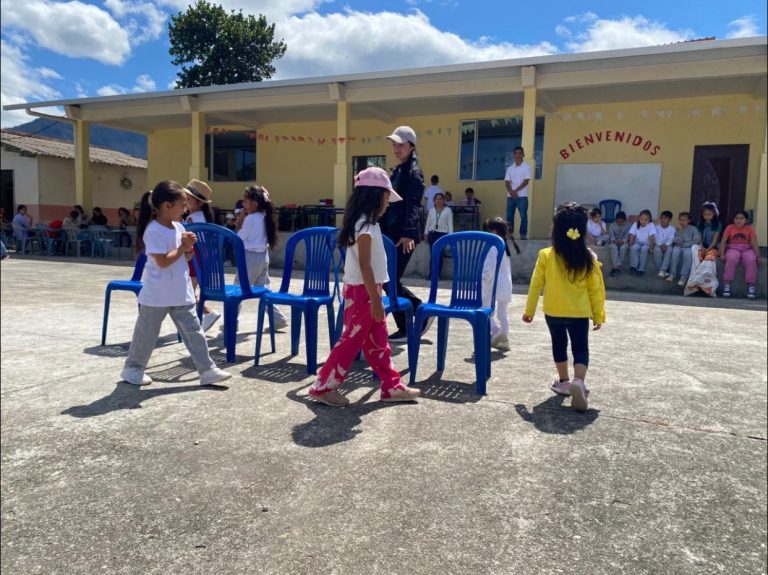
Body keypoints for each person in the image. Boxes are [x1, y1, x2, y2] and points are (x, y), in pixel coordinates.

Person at [308, 167, 421, 406]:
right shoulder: (366, 227)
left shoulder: (365, 224)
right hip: (364, 292)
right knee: (350, 340)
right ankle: (323, 386)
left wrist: (376, 295)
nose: (388, 204)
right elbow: (365, 265)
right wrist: (377, 300)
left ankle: (391, 386)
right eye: (386, 198)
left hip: (367, 290)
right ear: (375, 197)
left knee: (379, 341)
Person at [120, 180, 232, 387]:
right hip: (157, 295)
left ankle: (207, 370)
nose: (186, 207)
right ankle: (132, 368)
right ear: (167, 206)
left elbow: (185, 259)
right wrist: (182, 248)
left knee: (194, 332)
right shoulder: (153, 230)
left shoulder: (178, 226)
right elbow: (162, 261)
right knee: (146, 334)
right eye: (182, 203)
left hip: (180, 292)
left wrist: (188, 248)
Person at [522, 203, 606, 412]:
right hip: (579, 313)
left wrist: (529, 311)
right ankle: (579, 381)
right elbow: (596, 289)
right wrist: (598, 315)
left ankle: (564, 381)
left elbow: (535, 284)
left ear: (556, 231)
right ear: (582, 230)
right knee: (580, 347)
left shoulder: (546, 255)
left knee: (559, 345)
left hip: (553, 311)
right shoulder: (588, 258)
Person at [379, 125, 430, 343]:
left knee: (390, 280)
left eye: (401, 144)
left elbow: (413, 206)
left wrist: (409, 233)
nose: (396, 148)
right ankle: (412, 319)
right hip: (391, 234)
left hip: (404, 236)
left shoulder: (414, 172)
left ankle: (416, 314)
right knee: (387, 280)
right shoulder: (398, 170)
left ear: (411, 146)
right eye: (394, 144)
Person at [236, 185, 288, 329]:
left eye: (245, 201)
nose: (243, 204)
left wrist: (239, 222)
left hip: (249, 258)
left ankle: (231, 321)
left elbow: (239, 238)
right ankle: (278, 319)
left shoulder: (250, 218)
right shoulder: (265, 217)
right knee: (264, 290)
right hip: (262, 257)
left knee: (237, 290)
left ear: (254, 204)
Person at [184, 179, 222, 332]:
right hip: (203, 256)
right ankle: (198, 319)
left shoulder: (191, 219)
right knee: (189, 292)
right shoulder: (203, 217)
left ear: (199, 202)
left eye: (189, 199)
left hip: (194, 256)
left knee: (188, 292)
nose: (185, 201)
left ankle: (209, 313)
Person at [482, 218, 513, 352]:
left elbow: (488, 270)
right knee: (502, 314)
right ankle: (504, 339)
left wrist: (482, 280)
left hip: (493, 285)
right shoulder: (504, 246)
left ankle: (495, 332)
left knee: (485, 310)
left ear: (493, 231)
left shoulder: (492, 247)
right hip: (506, 285)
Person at [720, 210, 759, 299]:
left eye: (741, 218)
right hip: (733, 248)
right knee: (731, 258)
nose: (739, 220)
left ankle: (751, 285)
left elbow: (753, 242)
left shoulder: (750, 228)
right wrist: (722, 254)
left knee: (751, 259)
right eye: (737, 218)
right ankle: (727, 284)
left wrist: (757, 255)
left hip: (747, 248)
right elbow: (723, 241)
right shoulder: (730, 227)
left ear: (746, 220)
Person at [423, 192, 453, 280]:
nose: (439, 201)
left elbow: (450, 224)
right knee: (433, 255)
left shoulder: (448, 210)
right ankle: (431, 275)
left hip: (442, 235)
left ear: (443, 200)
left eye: (440, 199)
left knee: (439, 255)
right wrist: (426, 234)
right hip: (432, 234)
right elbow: (428, 223)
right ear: (434, 201)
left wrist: (450, 237)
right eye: (437, 199)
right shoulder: (431, 210)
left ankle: (437, 275)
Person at [504, 146, 532, 240]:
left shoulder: (527, 167)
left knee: (523, 216)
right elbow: (507, 182)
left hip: (522, 197)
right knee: (509, 216)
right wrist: (511, 192)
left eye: (520, 153)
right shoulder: (510, 168)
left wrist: (515, 191)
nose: (518, 155)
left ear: (523, 155)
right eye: (516, 153)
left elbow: (526, 181)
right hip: (510, 197)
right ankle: (509, 234)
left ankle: (523, 235)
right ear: (514, 155)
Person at [667, 212, 700, 286]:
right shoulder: (677, 229)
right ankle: (672, 274)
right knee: (675, 252)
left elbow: (695, 240)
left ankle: (683, 276)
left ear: (689, 221)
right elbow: (675, 240)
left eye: (684, 220)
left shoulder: (693, 229)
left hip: (688, 247)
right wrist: (679, 232)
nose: (682, 222)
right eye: (680, 220)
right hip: (678, 246)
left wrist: (684, 245)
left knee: (688, 254)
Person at [628, 210, 656, 276]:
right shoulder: (635, 224)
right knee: (633, 248)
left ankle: (641, 269)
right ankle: (633, 267)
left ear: (649, 220)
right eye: (642, 219)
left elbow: (651, 237)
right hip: (638, 242)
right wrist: (630, 245)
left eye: (646, 219)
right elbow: (632, 235)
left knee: (644, 249)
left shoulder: (651, 225)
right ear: (639, 218)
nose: (643, 221)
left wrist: (651, 248)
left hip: (647, 243)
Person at [607, 211, 630, 277]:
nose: (620, 223)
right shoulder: (612, 225)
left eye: (621, 222)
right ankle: (616, 267)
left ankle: (615, 268)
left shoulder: (628, 225)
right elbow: (611, 236)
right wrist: (614, 241)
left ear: (624, 220)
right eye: (618, 221)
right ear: (616, 220)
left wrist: (623, 241)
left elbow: (627, 236)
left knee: (623, 248)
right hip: (614, 241)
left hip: (624, 242)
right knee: (613, 248)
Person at [653, 210, 675, 278]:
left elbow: (671, 238)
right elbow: (655, 237)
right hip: (658, 244)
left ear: (670, 220)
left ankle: (663, 270)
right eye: (662, 218)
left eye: (665, 218)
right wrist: (660, 245)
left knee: (669, 250)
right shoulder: (656, 227)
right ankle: (662, 271)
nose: (663, 220)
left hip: (667, 245)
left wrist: (666, 245)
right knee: (657, 250)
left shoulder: (672, 228)